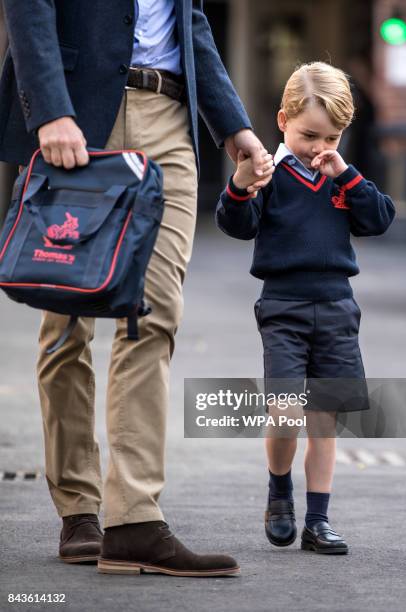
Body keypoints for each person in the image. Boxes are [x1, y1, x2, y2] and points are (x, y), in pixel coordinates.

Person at [0, 0, 272, 577]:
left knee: (155, 312)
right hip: (81, 114)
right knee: (67, 318)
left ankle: (133, 520)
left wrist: (234, 124)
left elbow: (189, 21)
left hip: (169, 120)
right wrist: (50, 110)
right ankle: (78, 509)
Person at [216, 61, 395, 554]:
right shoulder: (269, 175)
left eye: (333, 138)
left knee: (323, 419)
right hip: (283, 307)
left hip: (338, 307)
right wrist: (240, 182)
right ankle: (279, 493)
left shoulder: (342, 177)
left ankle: (318, 520)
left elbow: (380, 219)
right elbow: (237, 224)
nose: (321, 148)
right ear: (282, 122)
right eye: (310, 135)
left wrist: (348, 175)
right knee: (285, 411)